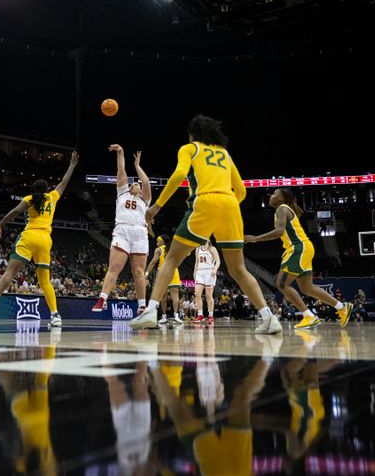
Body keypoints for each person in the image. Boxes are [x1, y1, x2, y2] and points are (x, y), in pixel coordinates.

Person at [129, 114, 281, 334]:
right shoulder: (225, 153)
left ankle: (151, 311)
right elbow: (241, 191)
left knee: (171, 259)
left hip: (205, 202)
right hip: (230, 205)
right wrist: (225, 206)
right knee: (238, 269)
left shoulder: (190, 148)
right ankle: (269, 318)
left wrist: (156, 206)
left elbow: (179, 174)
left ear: (192, 134)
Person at [0, 152, 79, 327]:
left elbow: (15, 212)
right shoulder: (53, 197)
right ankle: (55, 315)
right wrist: (71, 165)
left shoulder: (29, 199)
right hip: (45, 240)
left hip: (29, 236)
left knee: (10, 271)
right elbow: (64, 182)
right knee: (44, 281)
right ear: (47, 189)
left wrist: (0, 225)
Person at [244, 188, 352, 329]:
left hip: (299, 248)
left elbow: (279, 231)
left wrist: (255, 239)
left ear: (282, 198)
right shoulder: (284, 209)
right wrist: (287, 248)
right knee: (307, 288)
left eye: (274, 194)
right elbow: (287, 234)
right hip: (302, 248)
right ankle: (341, 307)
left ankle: (309, 316)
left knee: (281, 284)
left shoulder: (282, 209)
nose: (271, 196)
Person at [91, 145, 152, 315]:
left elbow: (146, 182)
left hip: (140, 233)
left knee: (139, 272)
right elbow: (121, 172)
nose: (137, 184)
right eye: (135, 183)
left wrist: (138, 166)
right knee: (114, 267)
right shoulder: (122, 193)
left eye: (138, 184)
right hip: (122, 231)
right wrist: (121, 153)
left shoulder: (145, 200)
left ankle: (142, 306)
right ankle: (103, 298)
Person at [144, 235, 184, 325]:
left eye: (158, 241)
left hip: (163, 273)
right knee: (175, 297)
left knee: (163, 297)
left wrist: (146, 274)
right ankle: (176, 316)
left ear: (163, 242)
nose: (157, 243)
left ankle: (164, 317)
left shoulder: (158, 250)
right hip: (174, 272)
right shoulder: (173, 248)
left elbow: (153, 262)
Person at [193, 239, 220, 324]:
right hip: (200, 272)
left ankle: (210, 316)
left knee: (209, 296)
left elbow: (218, 261)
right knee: (197, 294)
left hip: (209, 272)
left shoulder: (212, 249)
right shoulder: (198, 249)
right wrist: (194, 272)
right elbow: (196, 263)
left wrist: (215, 270)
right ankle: (200, 315)